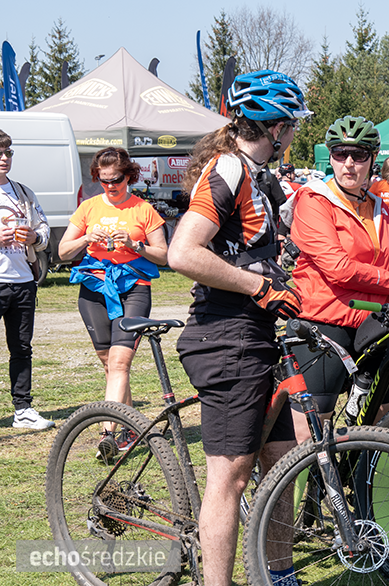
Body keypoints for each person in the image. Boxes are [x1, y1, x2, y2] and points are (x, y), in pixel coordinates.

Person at [167, 70, 309, 586]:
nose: (293, 136)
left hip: (256, 334)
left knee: (282, 456)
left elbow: (254, 252)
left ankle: (279, 574)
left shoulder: (258, 174)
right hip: (224, 337)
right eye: (291, 126)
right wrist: (257, 287)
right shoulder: (227, 167)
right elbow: (184, 252)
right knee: (229, 478)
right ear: (275, 127)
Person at [290, 115, 389, 439]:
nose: (349, 163)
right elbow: (338, 267)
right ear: (331, 157)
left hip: (370, 321)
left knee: (382, 420)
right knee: (314, 432)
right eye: (340, 154)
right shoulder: (314, 201)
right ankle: (307, 489)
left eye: (359, 155)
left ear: (373, 159)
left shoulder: (378, 206)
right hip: (325, 319)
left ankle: (367, 486)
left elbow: (382, 268)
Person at [58, 147, 167, 449]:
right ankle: (131, 427)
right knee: (110, 365)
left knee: (120, 363)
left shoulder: (143, 210)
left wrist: (135, 244)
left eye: (116, 179)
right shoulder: (88, 208)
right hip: (94, 288)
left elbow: (163, 255)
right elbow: (63, 252)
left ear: (128, 175)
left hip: (133, 287)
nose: (110, 185)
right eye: (103, 180)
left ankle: (108, 435)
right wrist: (84, 238)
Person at [0, 130, 54, 430]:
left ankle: (23, 409)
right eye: (0, 153)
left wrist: (36, 236)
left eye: (8, 152)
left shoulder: (22, 192)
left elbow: (44, 229)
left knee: (21, 348)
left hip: (22, 281)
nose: (5, 158)